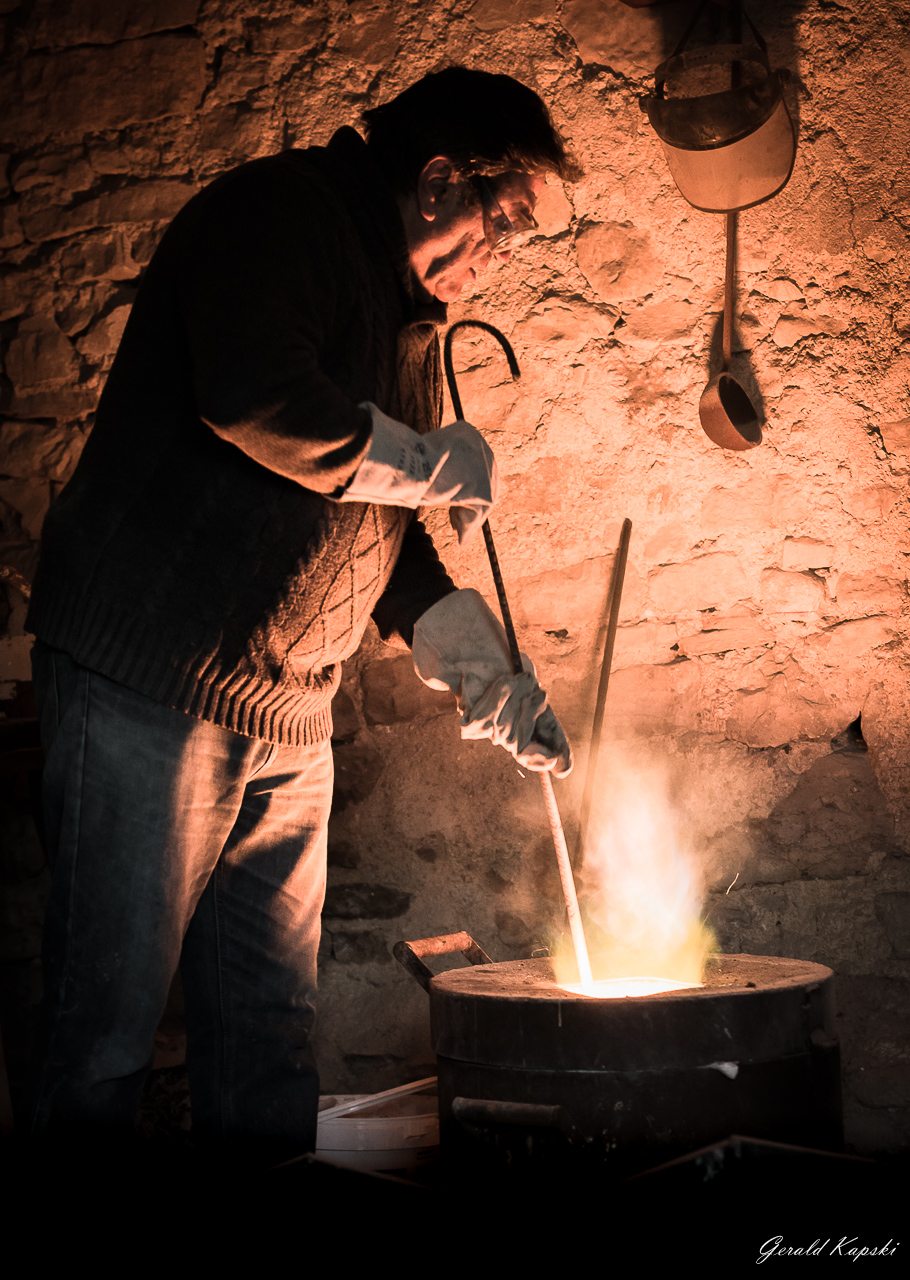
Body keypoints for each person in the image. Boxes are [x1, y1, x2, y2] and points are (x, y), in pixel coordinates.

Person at [24, 66, 579, 1162]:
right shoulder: (275, 215)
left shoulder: (411, 323)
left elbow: (380, 530)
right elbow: (255, 398)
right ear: (435, 180)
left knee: (268, 1036)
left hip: (289, 714)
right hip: (152, 680)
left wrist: (477, 668)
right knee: (102, 1032)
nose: (502, 254)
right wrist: (421, 463)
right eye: (502, 221)